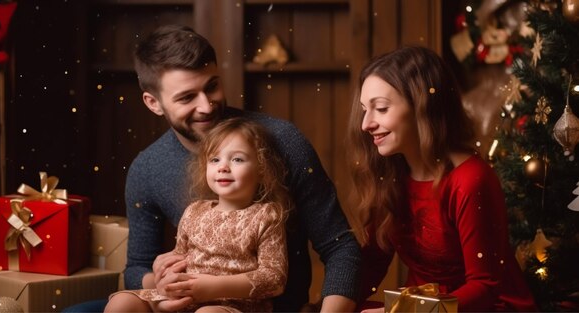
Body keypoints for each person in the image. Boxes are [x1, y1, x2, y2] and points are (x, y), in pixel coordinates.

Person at [116, 24, 360, 313]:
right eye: (186, 98)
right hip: (183, 305)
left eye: (212, 86)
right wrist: (158, 278)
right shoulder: (147, 168)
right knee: (120, 305)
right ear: (153, 103)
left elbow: (340, 247)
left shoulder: (283, 141)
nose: (206, 106)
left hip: (261, 307)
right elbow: (137, 266)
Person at [346, 46, 538, 312]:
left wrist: (403, 311)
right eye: (364, 109)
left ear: (421, 105)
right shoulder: (390, 175)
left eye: (380, 108)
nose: (365, 124)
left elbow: (484, 287)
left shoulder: (470, 180)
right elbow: (371, 265)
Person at [105, 118, 289, 313]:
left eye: (237, 159)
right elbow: (180, 257)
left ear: (261, 169)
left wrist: (212, 288)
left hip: (231, 305)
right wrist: (166, 279)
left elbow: (274, 279)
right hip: (185, 299)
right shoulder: (194, 210)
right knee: (121, 304)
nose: (223, 167)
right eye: (215, 159)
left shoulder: (266, 216)